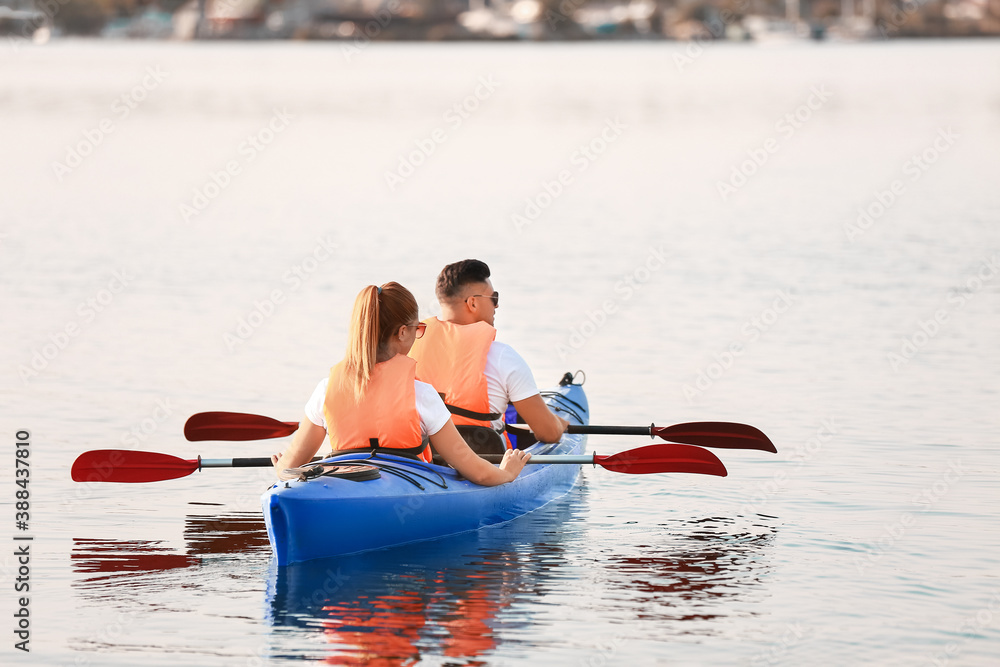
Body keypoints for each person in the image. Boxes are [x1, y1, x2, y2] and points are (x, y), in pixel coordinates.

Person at [270, 282, 530, 486]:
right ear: (402, 332)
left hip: (345, 481)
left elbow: (288, 469)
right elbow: (474, 470)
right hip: (407, 488)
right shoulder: (421, 394)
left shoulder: (326, 389)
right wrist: (507, 473)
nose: (418, 336)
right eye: (418, 330)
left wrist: (282, 468)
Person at [408, 259, 568, 448]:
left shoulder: (408, 348)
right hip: (485, 459)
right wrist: (559, 424)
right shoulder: (503, 357)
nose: (496, 306)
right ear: (473, 303)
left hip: (422, 459)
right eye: (494, 298)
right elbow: (549, 433)